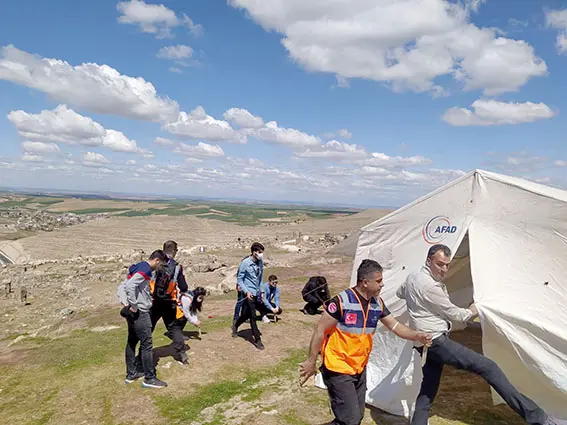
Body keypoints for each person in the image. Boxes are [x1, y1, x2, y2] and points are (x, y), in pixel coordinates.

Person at [397, 244, 557, 425]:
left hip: (424, 343)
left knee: (427, 390)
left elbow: (399, 292)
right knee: (488, 366)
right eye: (440, 264)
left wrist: (419, 307)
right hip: (435, 341)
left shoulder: (412, 278)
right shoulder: (430, 287)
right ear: (428, 260)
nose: (444, 269)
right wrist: (473, 309)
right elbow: (457, 314)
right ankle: (538, 418)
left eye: (447, 265)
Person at [299, 259, 432, 425]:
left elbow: (395, 326)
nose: (382, 285)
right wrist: (311, 361)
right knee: (350, 419)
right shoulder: (341, 302)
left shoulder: (377, 304)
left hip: (359, 367)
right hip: (337, 367)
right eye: (379, 281)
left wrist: (417, 336)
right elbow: (319, 330)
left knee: (356, 416)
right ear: (365, 282)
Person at [117, 249, 168, 388]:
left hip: (133, 312)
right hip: (141, 313)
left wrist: (126, 303)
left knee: (131, 342)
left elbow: (122, 287)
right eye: (161, 265)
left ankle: (131, 374)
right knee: (147, 344)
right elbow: (130, 285)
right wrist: (133, 305)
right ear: (157, 260)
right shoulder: (146, 269)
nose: (160, 268)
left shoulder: (138, 266)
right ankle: (149, 378)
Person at [231, 242, 265, 350]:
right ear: (254, 252)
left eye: (262, 252)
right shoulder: (245, 263)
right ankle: (257, 340)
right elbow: (240, 279)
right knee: (253, 316)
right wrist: (246, 291)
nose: (261, 254)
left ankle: (236, 325)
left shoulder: (260, 263)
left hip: (256, 293)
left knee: (246, 314)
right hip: (247, 293)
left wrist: (262, 290)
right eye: (259, 252)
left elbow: (260, 278)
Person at [150, 241, 188, 334]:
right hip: (168, 301)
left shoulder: (155, 262)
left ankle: (142, 346)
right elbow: (183, 286)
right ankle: (178, 343)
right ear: (174, 251)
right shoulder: (176, 266)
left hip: (152, 299)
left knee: (149, 326)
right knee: (174, 326)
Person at [168, 287, 207, 364]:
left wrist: (196, 320)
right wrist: (193, 322)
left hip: (181, 315)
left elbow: (193, 311)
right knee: (177, 330)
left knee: (180, 326)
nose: (201, 300)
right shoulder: (187, 299)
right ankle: (181, 352)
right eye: (200, 297)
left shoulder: (194, 300)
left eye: (202, 298)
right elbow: (187, 313)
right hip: (176, 314)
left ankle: (178, 334)